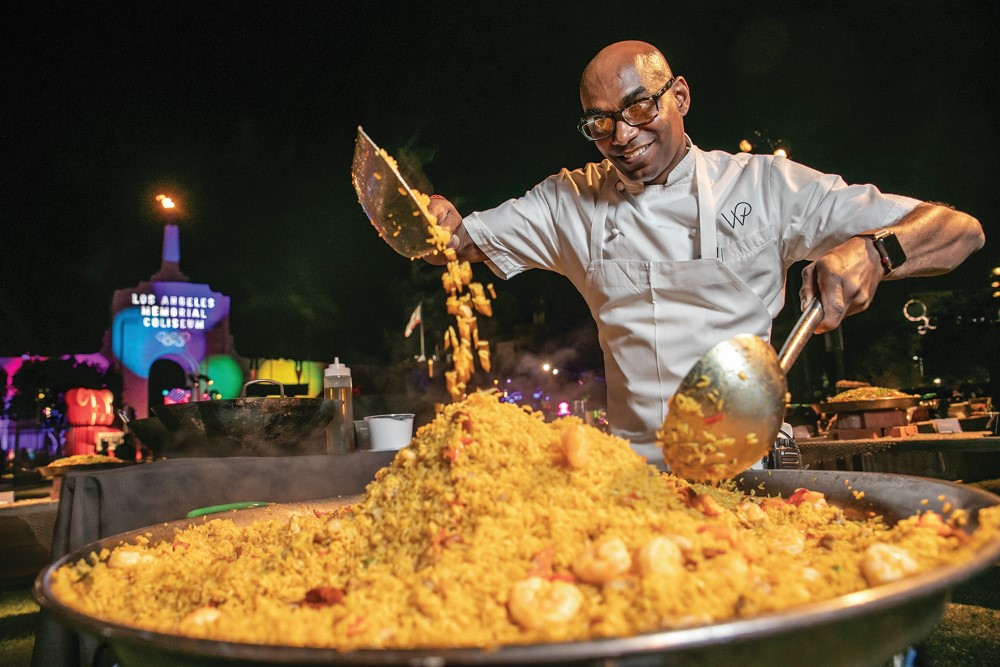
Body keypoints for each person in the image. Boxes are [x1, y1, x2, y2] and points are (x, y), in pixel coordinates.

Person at [426, 40, 984, 462]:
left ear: (680, 97)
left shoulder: (767, 186)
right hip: (633, 474)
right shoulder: (570, 200)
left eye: (640, 107)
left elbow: (961, 231)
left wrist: (875, 251)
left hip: (752, 460)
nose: (622, 135)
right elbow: (457, 242)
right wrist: (431, 223)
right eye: (600, 122)